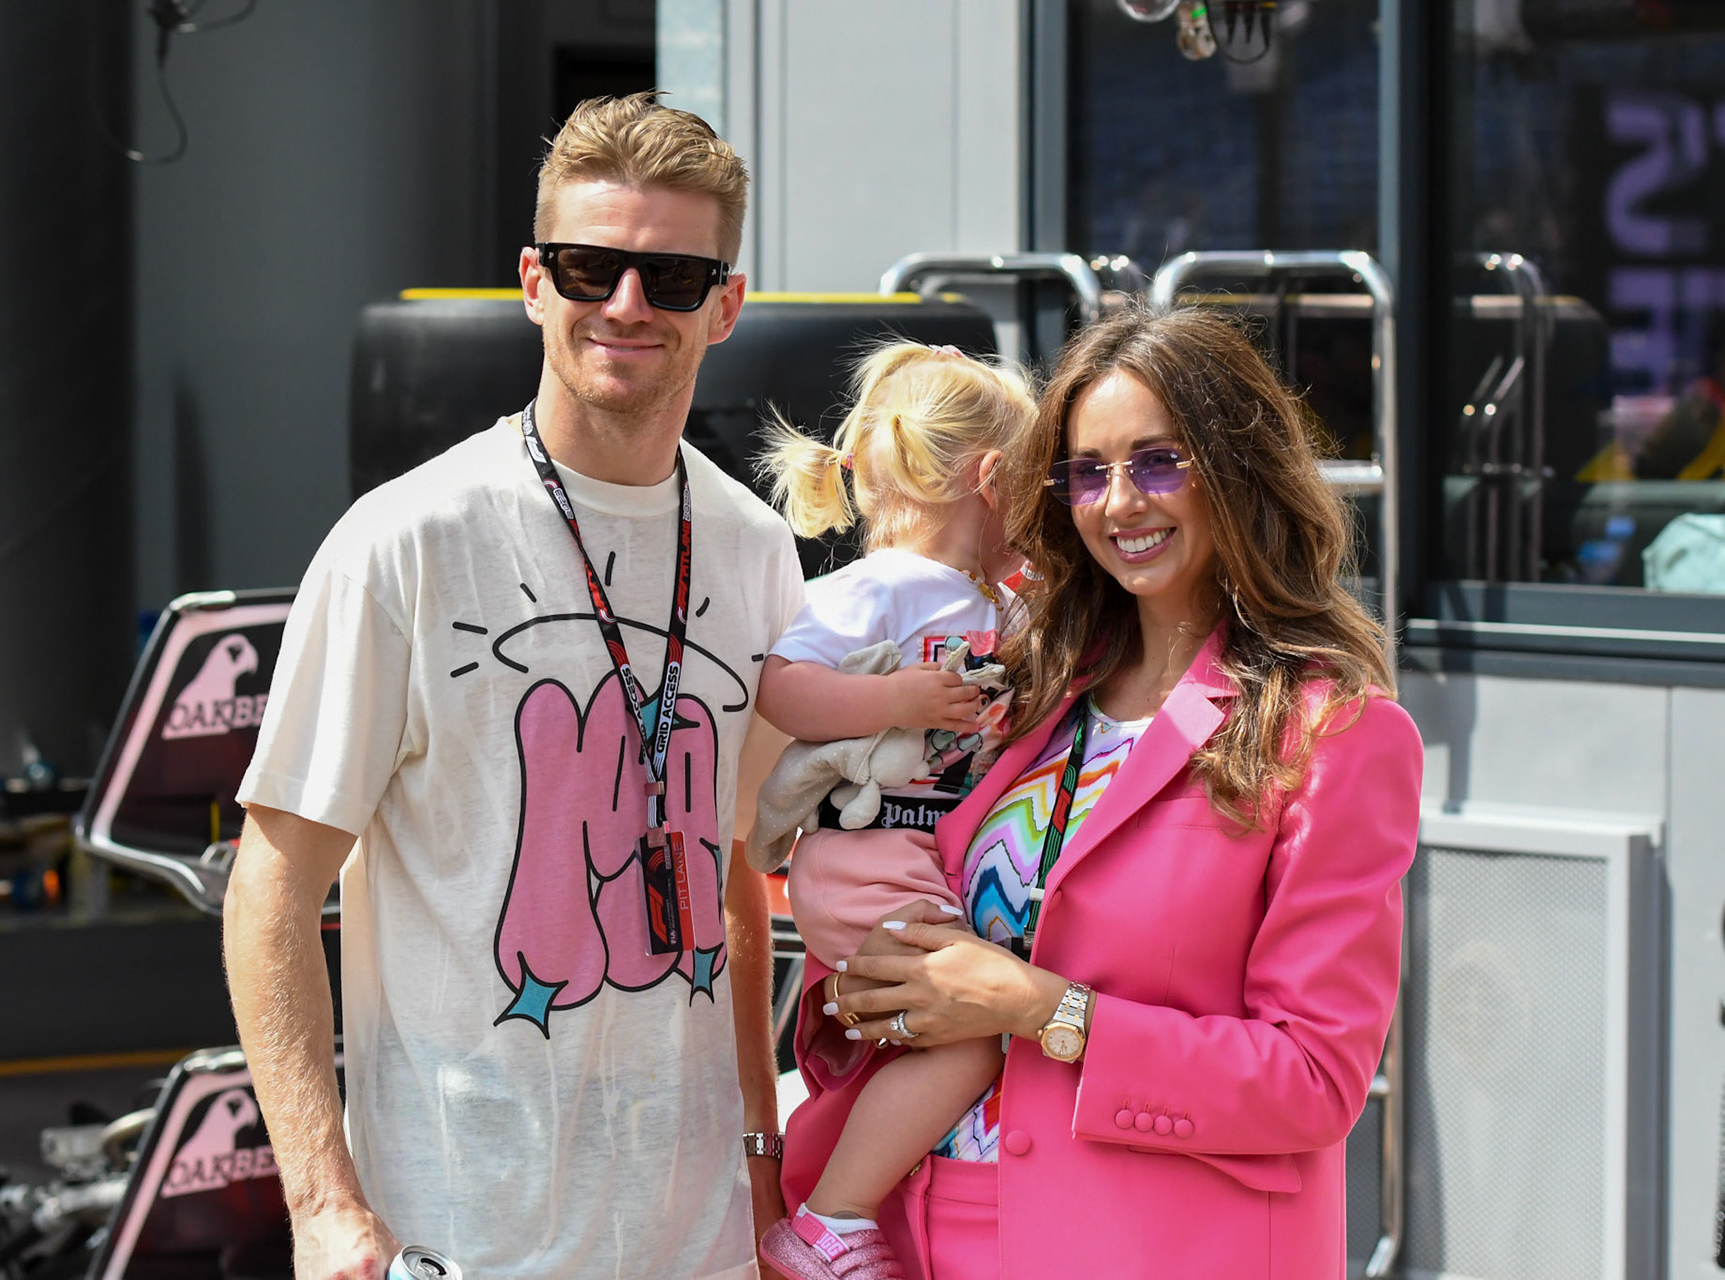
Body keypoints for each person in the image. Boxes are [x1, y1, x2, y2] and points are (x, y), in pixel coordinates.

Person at [223, 93, 804, 1280]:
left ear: (728, 304)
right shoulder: (406, 541)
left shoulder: (756, 550)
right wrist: (324, 1202)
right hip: (464, 1239)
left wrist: (761, 1146)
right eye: (592, 267)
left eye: (673, 277)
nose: (627, 305)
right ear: (535, 282)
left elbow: (741, 879)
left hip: (698, 1247)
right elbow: (272, 892)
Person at [782, 305, 1424, 1280]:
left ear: (1235, 469)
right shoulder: (1023, 689)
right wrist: (880, 988)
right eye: (1088, 470)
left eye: (1158, 461)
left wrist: (1045, 1006)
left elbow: (1314, 1079)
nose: (1121, 500)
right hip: (923, 1236)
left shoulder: (1334, 731)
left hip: (1157, 1248)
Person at [745, 343, 1034, 1277]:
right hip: (861, 852)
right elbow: (784, 690)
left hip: (912, 855)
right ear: (993, 478)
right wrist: (900, 702)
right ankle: (831, 1218)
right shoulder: (882, 587)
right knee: (978, 1025)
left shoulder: (998, 600)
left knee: (952, 1023)